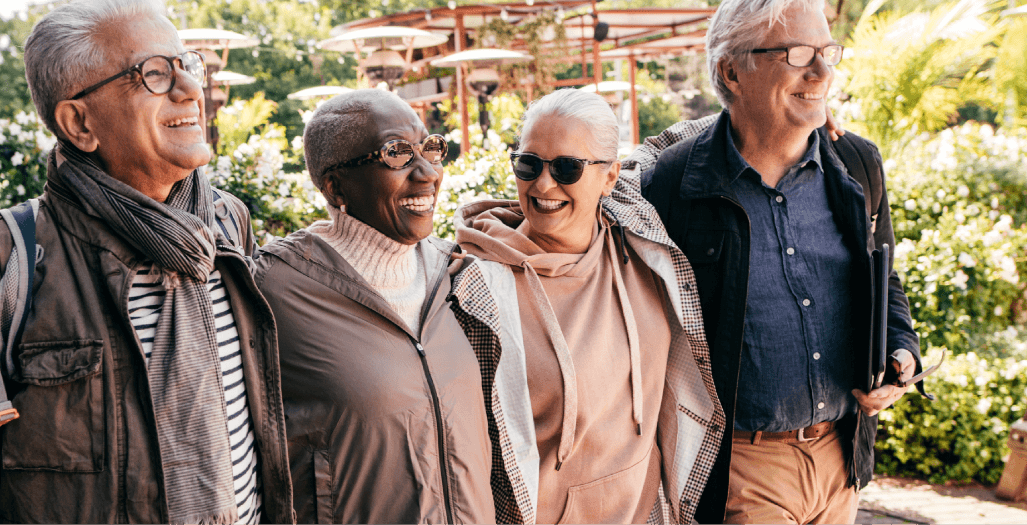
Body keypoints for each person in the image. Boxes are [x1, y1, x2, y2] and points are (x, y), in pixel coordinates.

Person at [0, 1, 293, 522]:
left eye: (188, 65)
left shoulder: (225, 224)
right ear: (79, 122)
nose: (191, 91)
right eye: (154, 73)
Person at [627, 0, 926, 523]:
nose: (822, 72)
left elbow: (884, 278)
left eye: (827, 52)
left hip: (842, 456)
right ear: (730, 71)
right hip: (744, 467)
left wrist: (902, 351)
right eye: (797, 54)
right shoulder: (673, 184)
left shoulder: (856, 162)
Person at [451, 88, 724, 525]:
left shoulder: (632, 228)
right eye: (528, 164)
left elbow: (682, 137)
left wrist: (799, 123)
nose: (543, 184)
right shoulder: (476, 289)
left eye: (567, 168)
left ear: (610, 176)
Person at [252, 89, 497, 524]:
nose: (427, 173)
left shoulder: (453, 271)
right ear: (335, 186)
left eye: (430, 148)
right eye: (396, 153)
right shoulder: (273, 289)